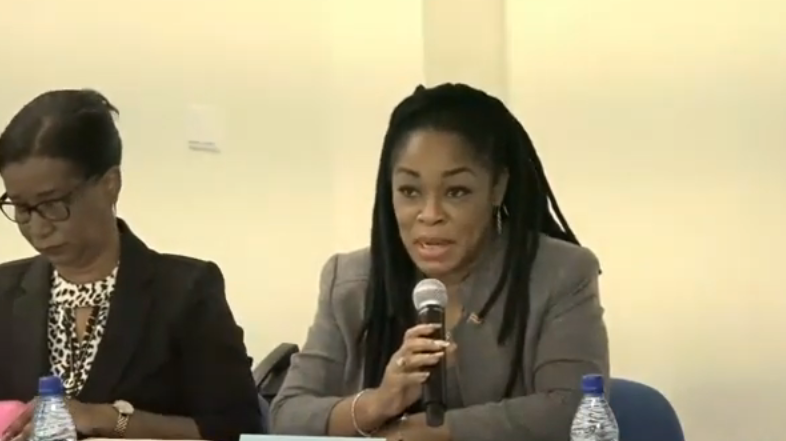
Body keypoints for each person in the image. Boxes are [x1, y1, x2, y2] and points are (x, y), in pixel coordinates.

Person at [270, 83, 609, 441]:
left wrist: (421, 432)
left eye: (456, 192)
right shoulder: (351, 282)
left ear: (497, 188)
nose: (430, 214)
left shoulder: (560, 273)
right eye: (410, 191)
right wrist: (378, 403)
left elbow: (573, 410)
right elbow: (287, 416)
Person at [0, 89, 262, 441]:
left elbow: (237, 430)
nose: (38, 227)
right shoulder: (4, 292)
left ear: (110, 184)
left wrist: (110, 420)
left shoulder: (185, 293)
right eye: (21, 208)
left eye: (52, 204)